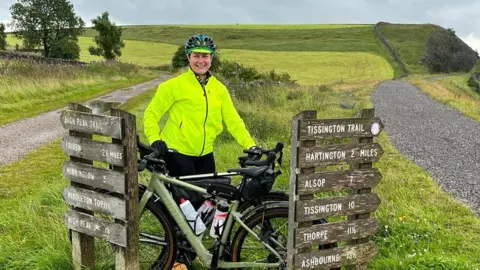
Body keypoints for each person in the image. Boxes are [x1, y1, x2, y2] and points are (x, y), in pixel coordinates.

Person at [143, 33, 260, 269]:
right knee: (177, 209)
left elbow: (233, 121)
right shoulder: (173, 86)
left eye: (205, 56)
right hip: (177, 152)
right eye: (196, 55)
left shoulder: (219, 89)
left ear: (211, 58)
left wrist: (250, 144)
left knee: (204, 207)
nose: (201, 60)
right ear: (188, 57)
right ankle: (176, 260)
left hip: (205, 155)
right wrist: (155, 139)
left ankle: (193, 250)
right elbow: (151, 114)